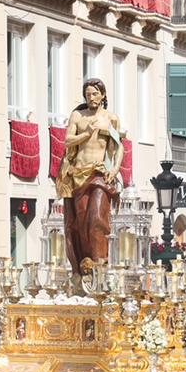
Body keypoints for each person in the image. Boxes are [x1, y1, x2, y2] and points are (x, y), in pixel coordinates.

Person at [54, 77, 123, 274]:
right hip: (77, 174)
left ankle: (100, 266)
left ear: (103, 95)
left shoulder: (111, 119)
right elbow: (68, 141)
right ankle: (85, 265)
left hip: (99, 174)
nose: (91, 97)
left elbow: (119, 148)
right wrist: (87, 133)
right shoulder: (78, 116)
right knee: (81, 222)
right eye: (88, 94)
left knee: (96, 219)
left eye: (94, 94)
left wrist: (115, 169)